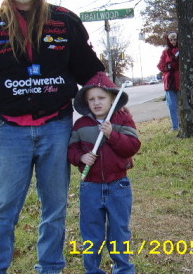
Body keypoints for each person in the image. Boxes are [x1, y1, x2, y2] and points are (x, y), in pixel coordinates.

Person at [0, 0, 105, 274]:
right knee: (2, 209)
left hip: (57, 126)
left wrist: (109, 103)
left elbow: (91, 71)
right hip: (12, 130)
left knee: (55, 207)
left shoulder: (65, 21)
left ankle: (50, 267)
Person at [68, 72, 141, 274]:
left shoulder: (123, 120)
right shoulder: (81, 124)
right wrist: (80, 158)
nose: (96, 103)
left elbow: (132, 147)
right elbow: (71, 150)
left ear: (112, 99)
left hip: (118, 185)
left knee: (119, 230)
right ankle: (93, 269)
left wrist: (111, 134)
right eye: (91, 99)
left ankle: (124, 268)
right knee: (92, 231)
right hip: (90, 187)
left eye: (101, 98)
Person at [157, 31, 180, 130]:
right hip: (169, 83)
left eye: (175, 39)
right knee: (172, 106)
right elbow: (160, 65)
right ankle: (175, 127)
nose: (173, 41)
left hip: (180, 82)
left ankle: (182, 125)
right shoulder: (165, 52)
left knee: (181, 105)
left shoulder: (182, 49)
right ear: (168, 40)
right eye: (171, 39)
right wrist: (169, 66)